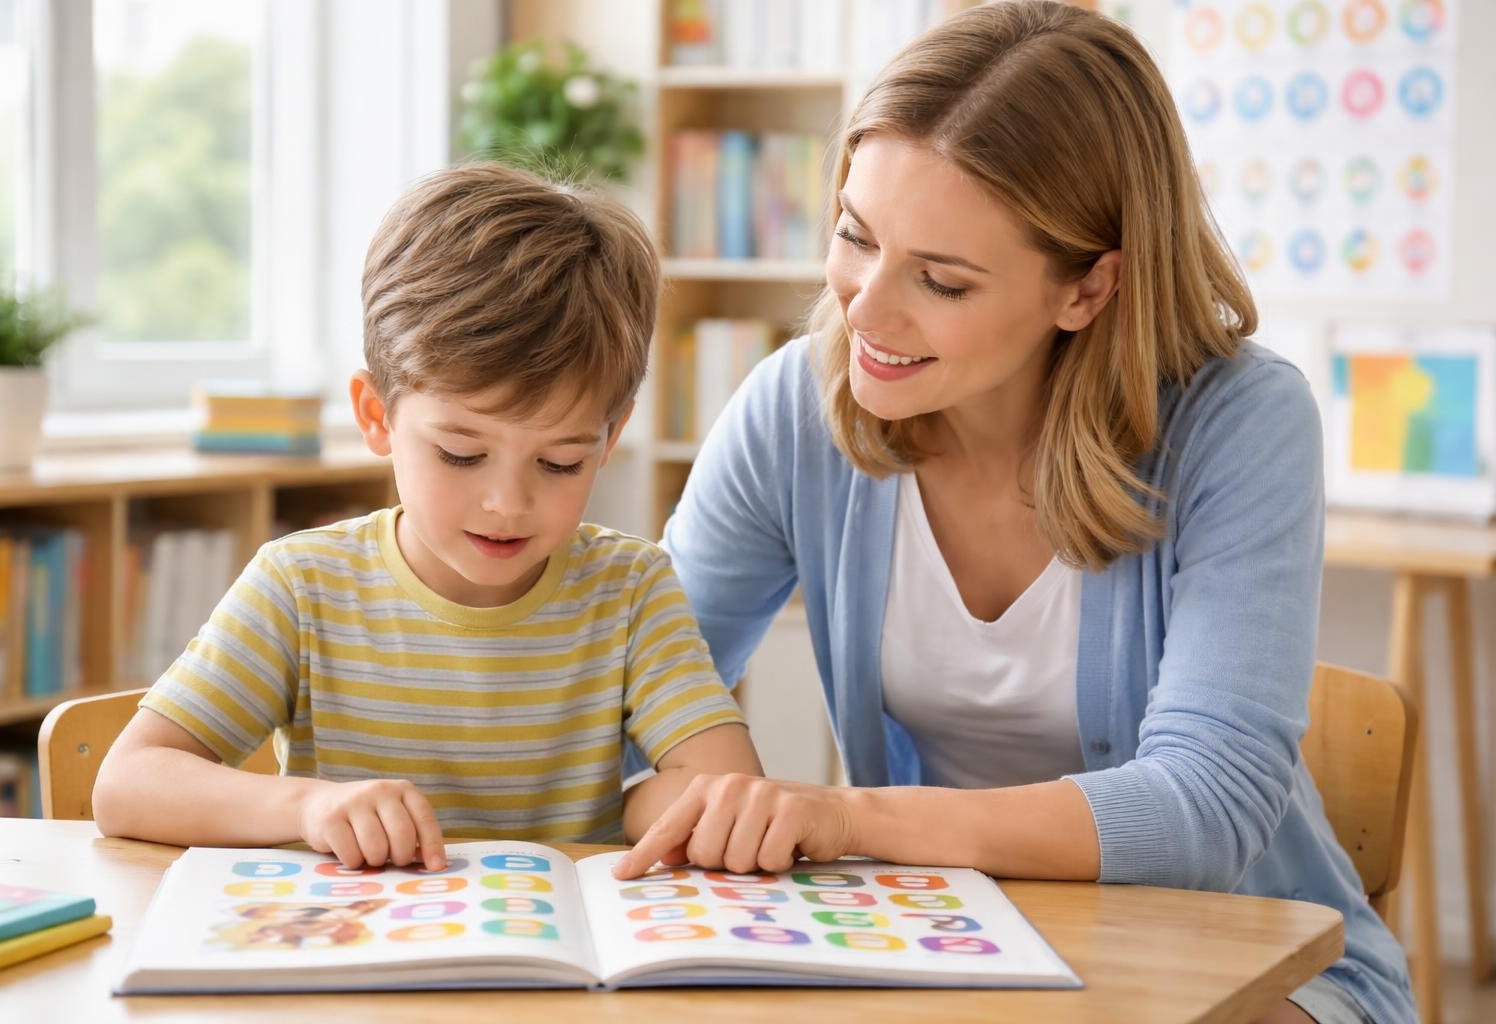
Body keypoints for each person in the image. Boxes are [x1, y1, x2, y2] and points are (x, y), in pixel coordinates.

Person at [611, 3, 1412, 1022]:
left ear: (1088, 288)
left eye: (941, 280)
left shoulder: (1239, 421)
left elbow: (1206, 807)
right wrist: (706, 799)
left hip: (1247, 963)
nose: (864, 308)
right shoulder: (796, 406)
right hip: (940, 949)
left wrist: (845, 815)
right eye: (855, 235)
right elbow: (632, 694)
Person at [94, 162, 763, 873]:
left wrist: (643, 805)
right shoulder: (303, 585)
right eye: (461, 454)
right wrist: (307, 806)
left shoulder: (631, 590)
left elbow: (726, 789)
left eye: (561, 462)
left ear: (611, 437)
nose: (508, 503)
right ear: (376, 415)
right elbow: (129, 784)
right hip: (359, 957)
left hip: (561, 970)